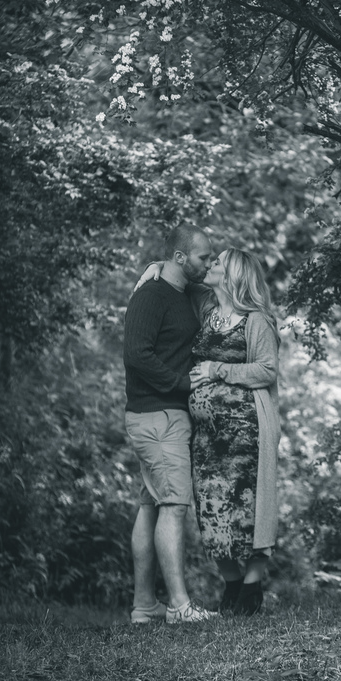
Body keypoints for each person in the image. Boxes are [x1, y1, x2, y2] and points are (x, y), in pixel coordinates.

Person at [138, 247, 281, 616]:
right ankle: (233, 583)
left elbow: (266, 370)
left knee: (248, 513)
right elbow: (181, 277)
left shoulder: (256, 321)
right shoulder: (208, 309)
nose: (210, 265)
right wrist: (157, 266)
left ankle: (249, 591)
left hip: (246, 438)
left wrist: (218, 369)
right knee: (213, 512)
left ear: (232, 274)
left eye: (217, 262)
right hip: (206, 440)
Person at [123, 222, 216, 624]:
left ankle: (145, 607)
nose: (209, 263)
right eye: (203, 257)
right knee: (175, 506)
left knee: (150, 505)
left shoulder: (184, 291)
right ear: (180, 258)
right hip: (157, 414)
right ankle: (179, 607)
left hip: (161, 415)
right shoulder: (153, 295)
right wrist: (181, 384)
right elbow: (137, 355)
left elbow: (216, 291)